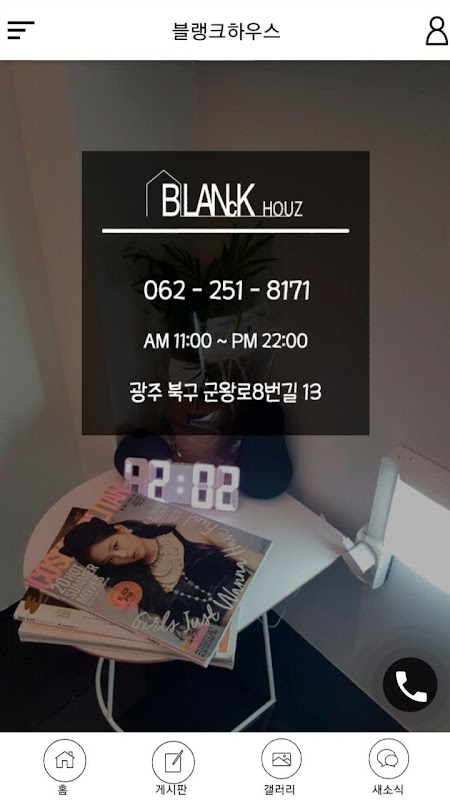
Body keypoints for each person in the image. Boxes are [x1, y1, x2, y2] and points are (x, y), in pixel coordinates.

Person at [60, 516, 262, 627]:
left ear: (121, 529)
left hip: (262, 596)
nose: (123, 555)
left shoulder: (191, 529)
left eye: (116, 545)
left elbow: (257, 562)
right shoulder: (145, 588)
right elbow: (195, 629)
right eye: (111, 560)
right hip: (235, 633)